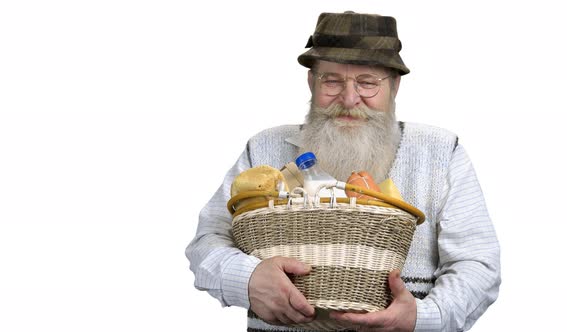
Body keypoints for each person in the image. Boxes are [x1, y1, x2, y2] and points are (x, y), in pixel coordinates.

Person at [186, 11, 500, 332]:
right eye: (332, 80)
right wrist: (247, 278)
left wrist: (422, 316)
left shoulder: (441, 152)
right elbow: (207, 242)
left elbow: (478, 265)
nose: (349, 99)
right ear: (311, 81)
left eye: (367, 83)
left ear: (395, 86)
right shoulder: (264, 148)